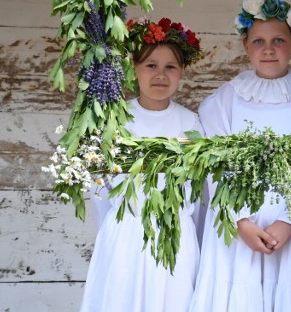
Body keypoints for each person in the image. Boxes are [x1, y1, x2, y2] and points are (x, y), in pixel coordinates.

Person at [188, 0, 291, 312]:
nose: (268, 49)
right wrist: (240, 222)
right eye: (258, 41)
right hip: (241, 230)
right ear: (245, 46)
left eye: (278, 40)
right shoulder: (223, 102)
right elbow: (215, 167)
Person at [80, 17, 204, 312]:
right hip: (127, 231)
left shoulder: (191, 122)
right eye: (151, 66)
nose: (160, 75)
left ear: (182, 71)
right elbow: (100, 189)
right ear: (133, 68)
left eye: (170, 67)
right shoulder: (114, 120)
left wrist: (188, 231)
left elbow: (198, 192)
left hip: (176, 232)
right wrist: (116, 229)